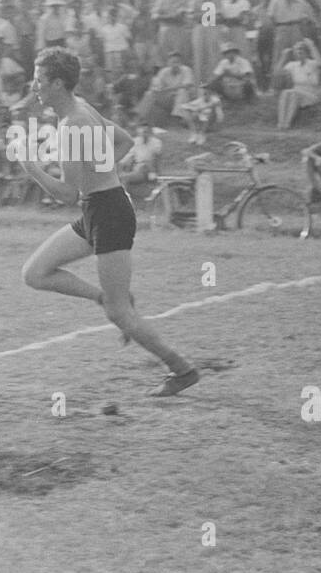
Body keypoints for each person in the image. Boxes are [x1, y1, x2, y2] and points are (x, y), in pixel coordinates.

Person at [19, 47, 200, 396]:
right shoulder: (78, 108)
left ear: (57, 83)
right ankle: (104, 297)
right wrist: (102, 173)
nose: (34, 85)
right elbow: (125, 141)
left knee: (120, 314)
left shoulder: (72, 124)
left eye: (39, 79)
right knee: (34, 273)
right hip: (99, 208)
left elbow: (68, 194)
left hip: (109, 213)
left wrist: (32, 168)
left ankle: (182, 369)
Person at [275, 42, 321, 129]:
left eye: (302, 49)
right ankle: (281, 123)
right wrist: (283, 56)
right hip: (295, 93)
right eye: (297, 49)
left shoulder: (312, 63)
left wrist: (312, 46)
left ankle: (287, 123)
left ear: (307, 52)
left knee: (293, 93)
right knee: (285, 92)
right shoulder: (292, 65)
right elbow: (277, 72)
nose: (299, 51)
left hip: (310, 94)